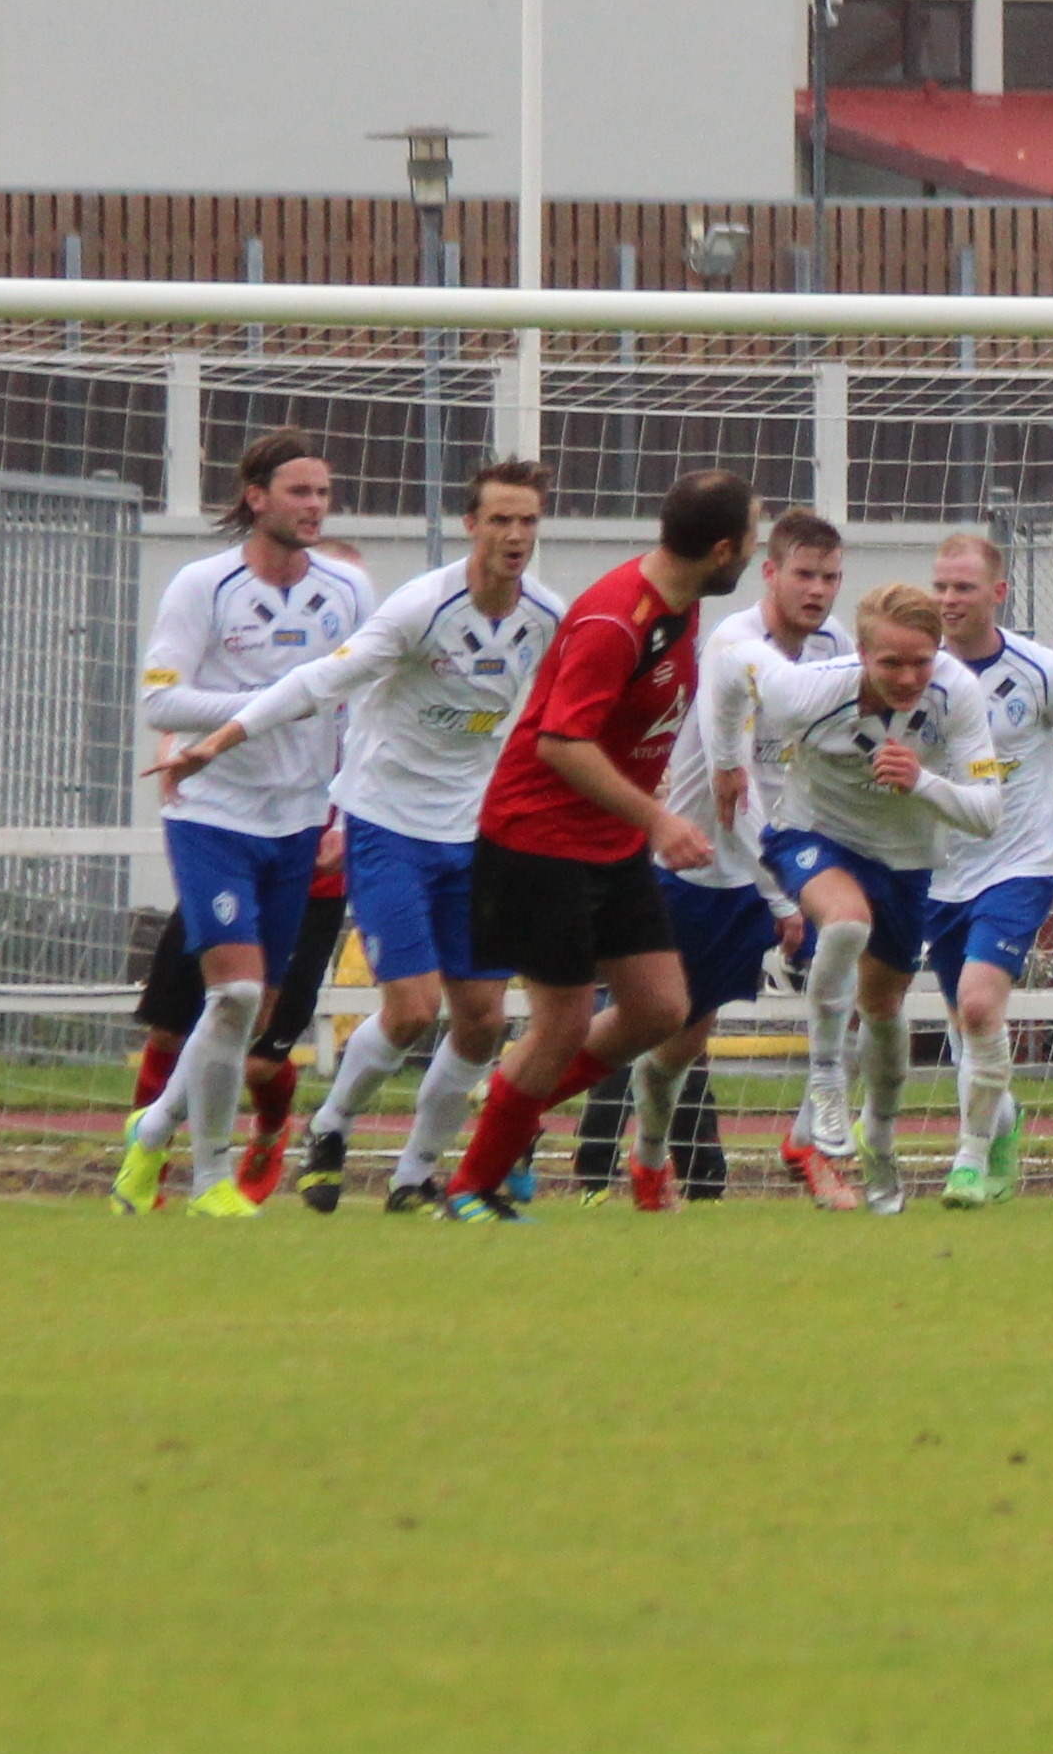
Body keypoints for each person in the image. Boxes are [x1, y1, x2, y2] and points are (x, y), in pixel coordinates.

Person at [154, 461, 560, 1211]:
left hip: (474, 832)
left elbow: (571, 711)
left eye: (527, 521)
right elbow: (317, 683)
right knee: (412, 1011)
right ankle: (331, 1124)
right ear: (471, 525)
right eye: (500, 520)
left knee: (483, 1022)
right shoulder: (420, 609)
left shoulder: (546, 616)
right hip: (387, 823)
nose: (514, 535)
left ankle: (415, 1177)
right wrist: (220, 740)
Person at [430, 468, 759, 1223]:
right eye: (751, 537)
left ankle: (512, 1101)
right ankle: (468, 1188)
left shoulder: (682, 607)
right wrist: (660, 821)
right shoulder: (617, 619)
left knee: (659, 1007)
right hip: (539, 839)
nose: (753, 549)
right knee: (564, 1022)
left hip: (608, 843)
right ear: (721, 550)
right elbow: (561, 742)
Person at [111, 434, 374, 1217]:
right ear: (256, 498)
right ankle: (209, 1180)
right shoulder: (204, 585)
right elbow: (161, 701)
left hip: (299, 822)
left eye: (322, 492)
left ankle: (152, 1129)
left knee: (249, 1016)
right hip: (212, 814)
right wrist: (273, 702)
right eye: (299, 492)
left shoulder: (348, 589)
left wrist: (345, 811)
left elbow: (363, 708)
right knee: (233, 994)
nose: (315, 506)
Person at [592, 506, 849, 1210]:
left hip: (786, 860)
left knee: (855, 988)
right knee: (675, 1036)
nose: (817, 589)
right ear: (769, 573)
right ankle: (644, 1158)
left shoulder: (835, 646)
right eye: (804, 574)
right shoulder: (731, 646)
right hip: (705, 867)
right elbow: (728, 789)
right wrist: (781, 896)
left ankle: (810, 1144)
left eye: (829, 577)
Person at [725, 584, 1008, 1214]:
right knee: (846, 923)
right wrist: (723, 761)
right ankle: (826, 1077)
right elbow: (728, 659)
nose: (907, 677)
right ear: (861, 653)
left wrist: (922, 781)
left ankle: (877, 1137)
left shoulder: (957, 693)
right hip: (813, 836)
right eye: (890, 663)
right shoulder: (806, 691)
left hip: (905, 864)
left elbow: (988, 813)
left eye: (921, 661)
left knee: (883, 1008)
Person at [924, 533, 1053, 1210]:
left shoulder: (1040, 671)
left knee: (980, 1005)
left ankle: (968, 1163)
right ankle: (1002, 1125)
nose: (949, 599)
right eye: (941, 586)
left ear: (997, 593)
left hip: (1018, 865)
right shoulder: (914, 669)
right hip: (937, 872)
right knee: (965, 1033)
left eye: (964, 587)